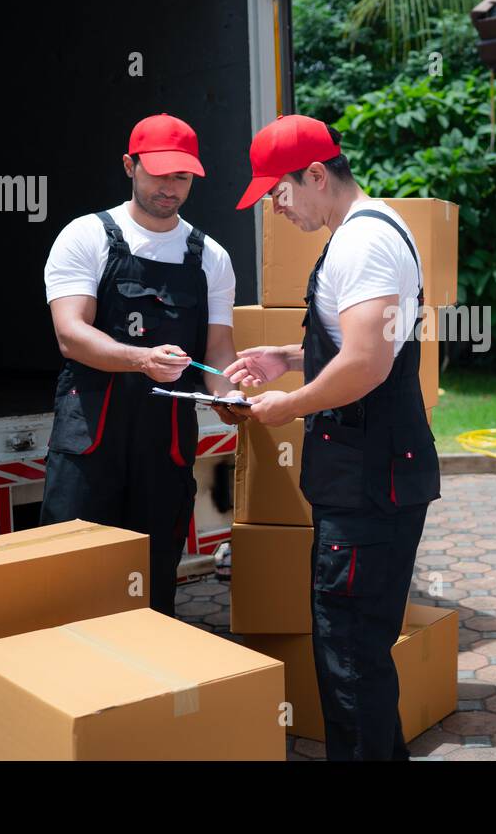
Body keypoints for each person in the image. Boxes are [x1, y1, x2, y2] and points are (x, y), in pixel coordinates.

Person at [225, 114, 440, 761]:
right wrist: (287, 358)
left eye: (280, 192)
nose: (276, 207)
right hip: (374, 478)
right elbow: (357, 342)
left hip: (368, 486)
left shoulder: (361, 243)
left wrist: (288, 404)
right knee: (356, 657)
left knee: (350, 664)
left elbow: (368, 362)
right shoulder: (372, 229)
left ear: (316, 175)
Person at [40, 113, 248, 616]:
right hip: (91, 432)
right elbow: (71, 334)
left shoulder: (211, 257)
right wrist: (141, 360)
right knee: (73, 571)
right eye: (158, 174)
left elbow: (218, 351)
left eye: (182, 177)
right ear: (130, 165)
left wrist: (228, 396)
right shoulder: (85, 236)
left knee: (152, 580)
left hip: (166, 439)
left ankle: (147, 682)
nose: (170, 188)